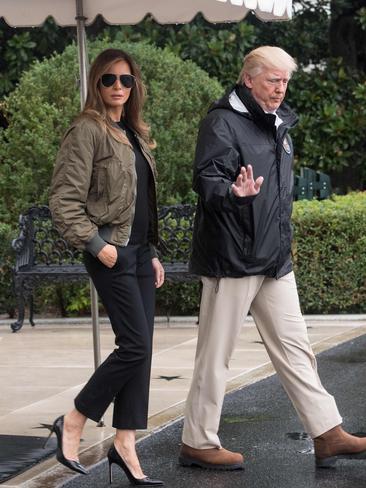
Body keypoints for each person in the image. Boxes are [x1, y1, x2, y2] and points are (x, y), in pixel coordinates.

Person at [179, 45, 366, 471]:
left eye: (284, 81)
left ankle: (327, 432)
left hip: (273, 259)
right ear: (249, 79)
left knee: (297, 348)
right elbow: (207, 179)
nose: (280, 89)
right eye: (272, 80)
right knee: (215, 354)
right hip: (231, 257)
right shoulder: (222, 122)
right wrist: (232, 192)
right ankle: (197, 441)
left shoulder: (279, 125)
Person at [48, 48, 164, 486]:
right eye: (109, 80)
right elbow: (64, 201)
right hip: (110, 253)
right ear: (96, 83)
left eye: (126, 80)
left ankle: (126, 443)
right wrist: (98, 246)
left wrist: (151, 251)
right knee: (133, 344)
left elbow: (141, 203)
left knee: (143, 348)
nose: (118, 87)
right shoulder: (86, 130)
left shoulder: (132, 133)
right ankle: (75, 418)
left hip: (137, 255)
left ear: (135, 86)